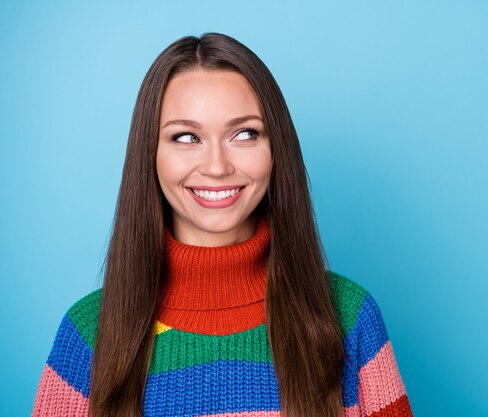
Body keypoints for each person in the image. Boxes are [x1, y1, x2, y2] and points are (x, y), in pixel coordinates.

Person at [31, 32, 413, 417]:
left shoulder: (349, 317)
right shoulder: (87, 335)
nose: (216, 166)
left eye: (244, 134)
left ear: (276, 148)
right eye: (186, 137)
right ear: (150, 154)